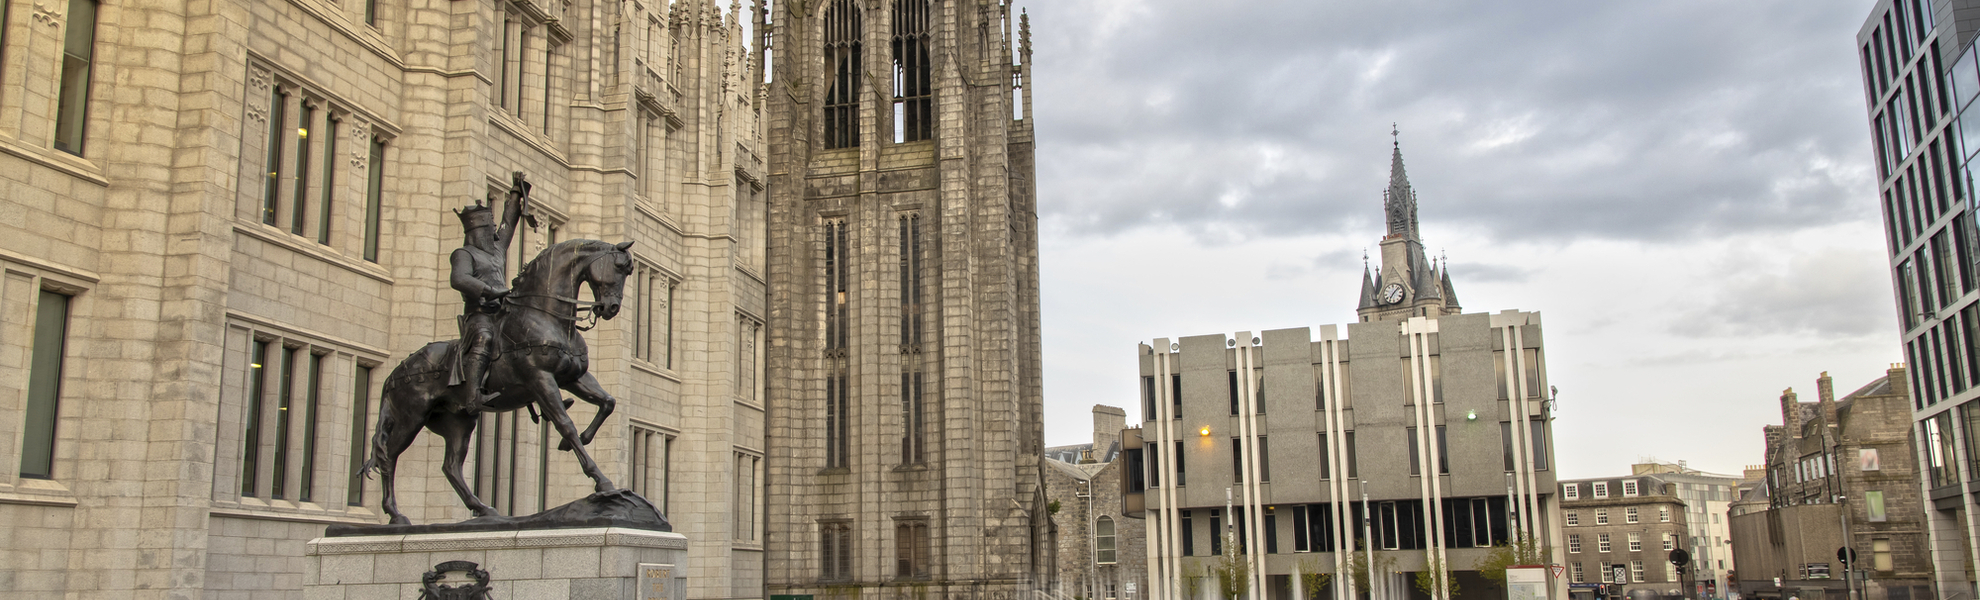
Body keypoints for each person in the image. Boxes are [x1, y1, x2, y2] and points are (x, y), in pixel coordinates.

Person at [447, 173, 532, 412]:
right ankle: (473, 395)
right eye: (490, 227)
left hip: (502, 312)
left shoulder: (496, 250)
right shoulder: (463, 253)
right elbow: (459, 278)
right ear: (479, 230)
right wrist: (490, 291)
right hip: (479, 314)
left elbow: (508, 223)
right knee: (484, 338)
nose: (495, 230)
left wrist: (516, 193)